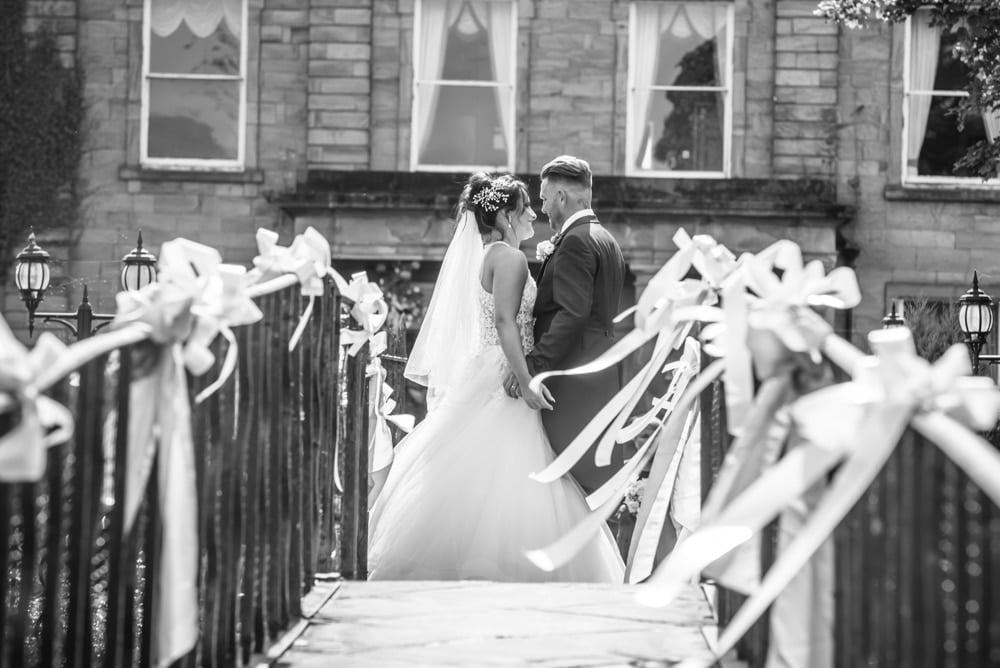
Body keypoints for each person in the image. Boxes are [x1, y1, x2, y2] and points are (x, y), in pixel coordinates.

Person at [367, 172, 624, 582]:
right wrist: (525, 378)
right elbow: (506, 321)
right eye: (524, 209)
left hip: (492, 366)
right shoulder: (509, 258)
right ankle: (504, 560)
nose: (533, 216)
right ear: (504, 215)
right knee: (511, 465)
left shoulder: (492, 256)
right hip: (505, 371)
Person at [505, 155, 627, 495]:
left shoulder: (575, 241)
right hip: (597, 371)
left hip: (571, 373)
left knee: (562, 476)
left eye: (544, 199)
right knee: (585, 475)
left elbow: (571, 315)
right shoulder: (605, 238)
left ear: (561, 197)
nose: (542, 208)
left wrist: (532, 367)